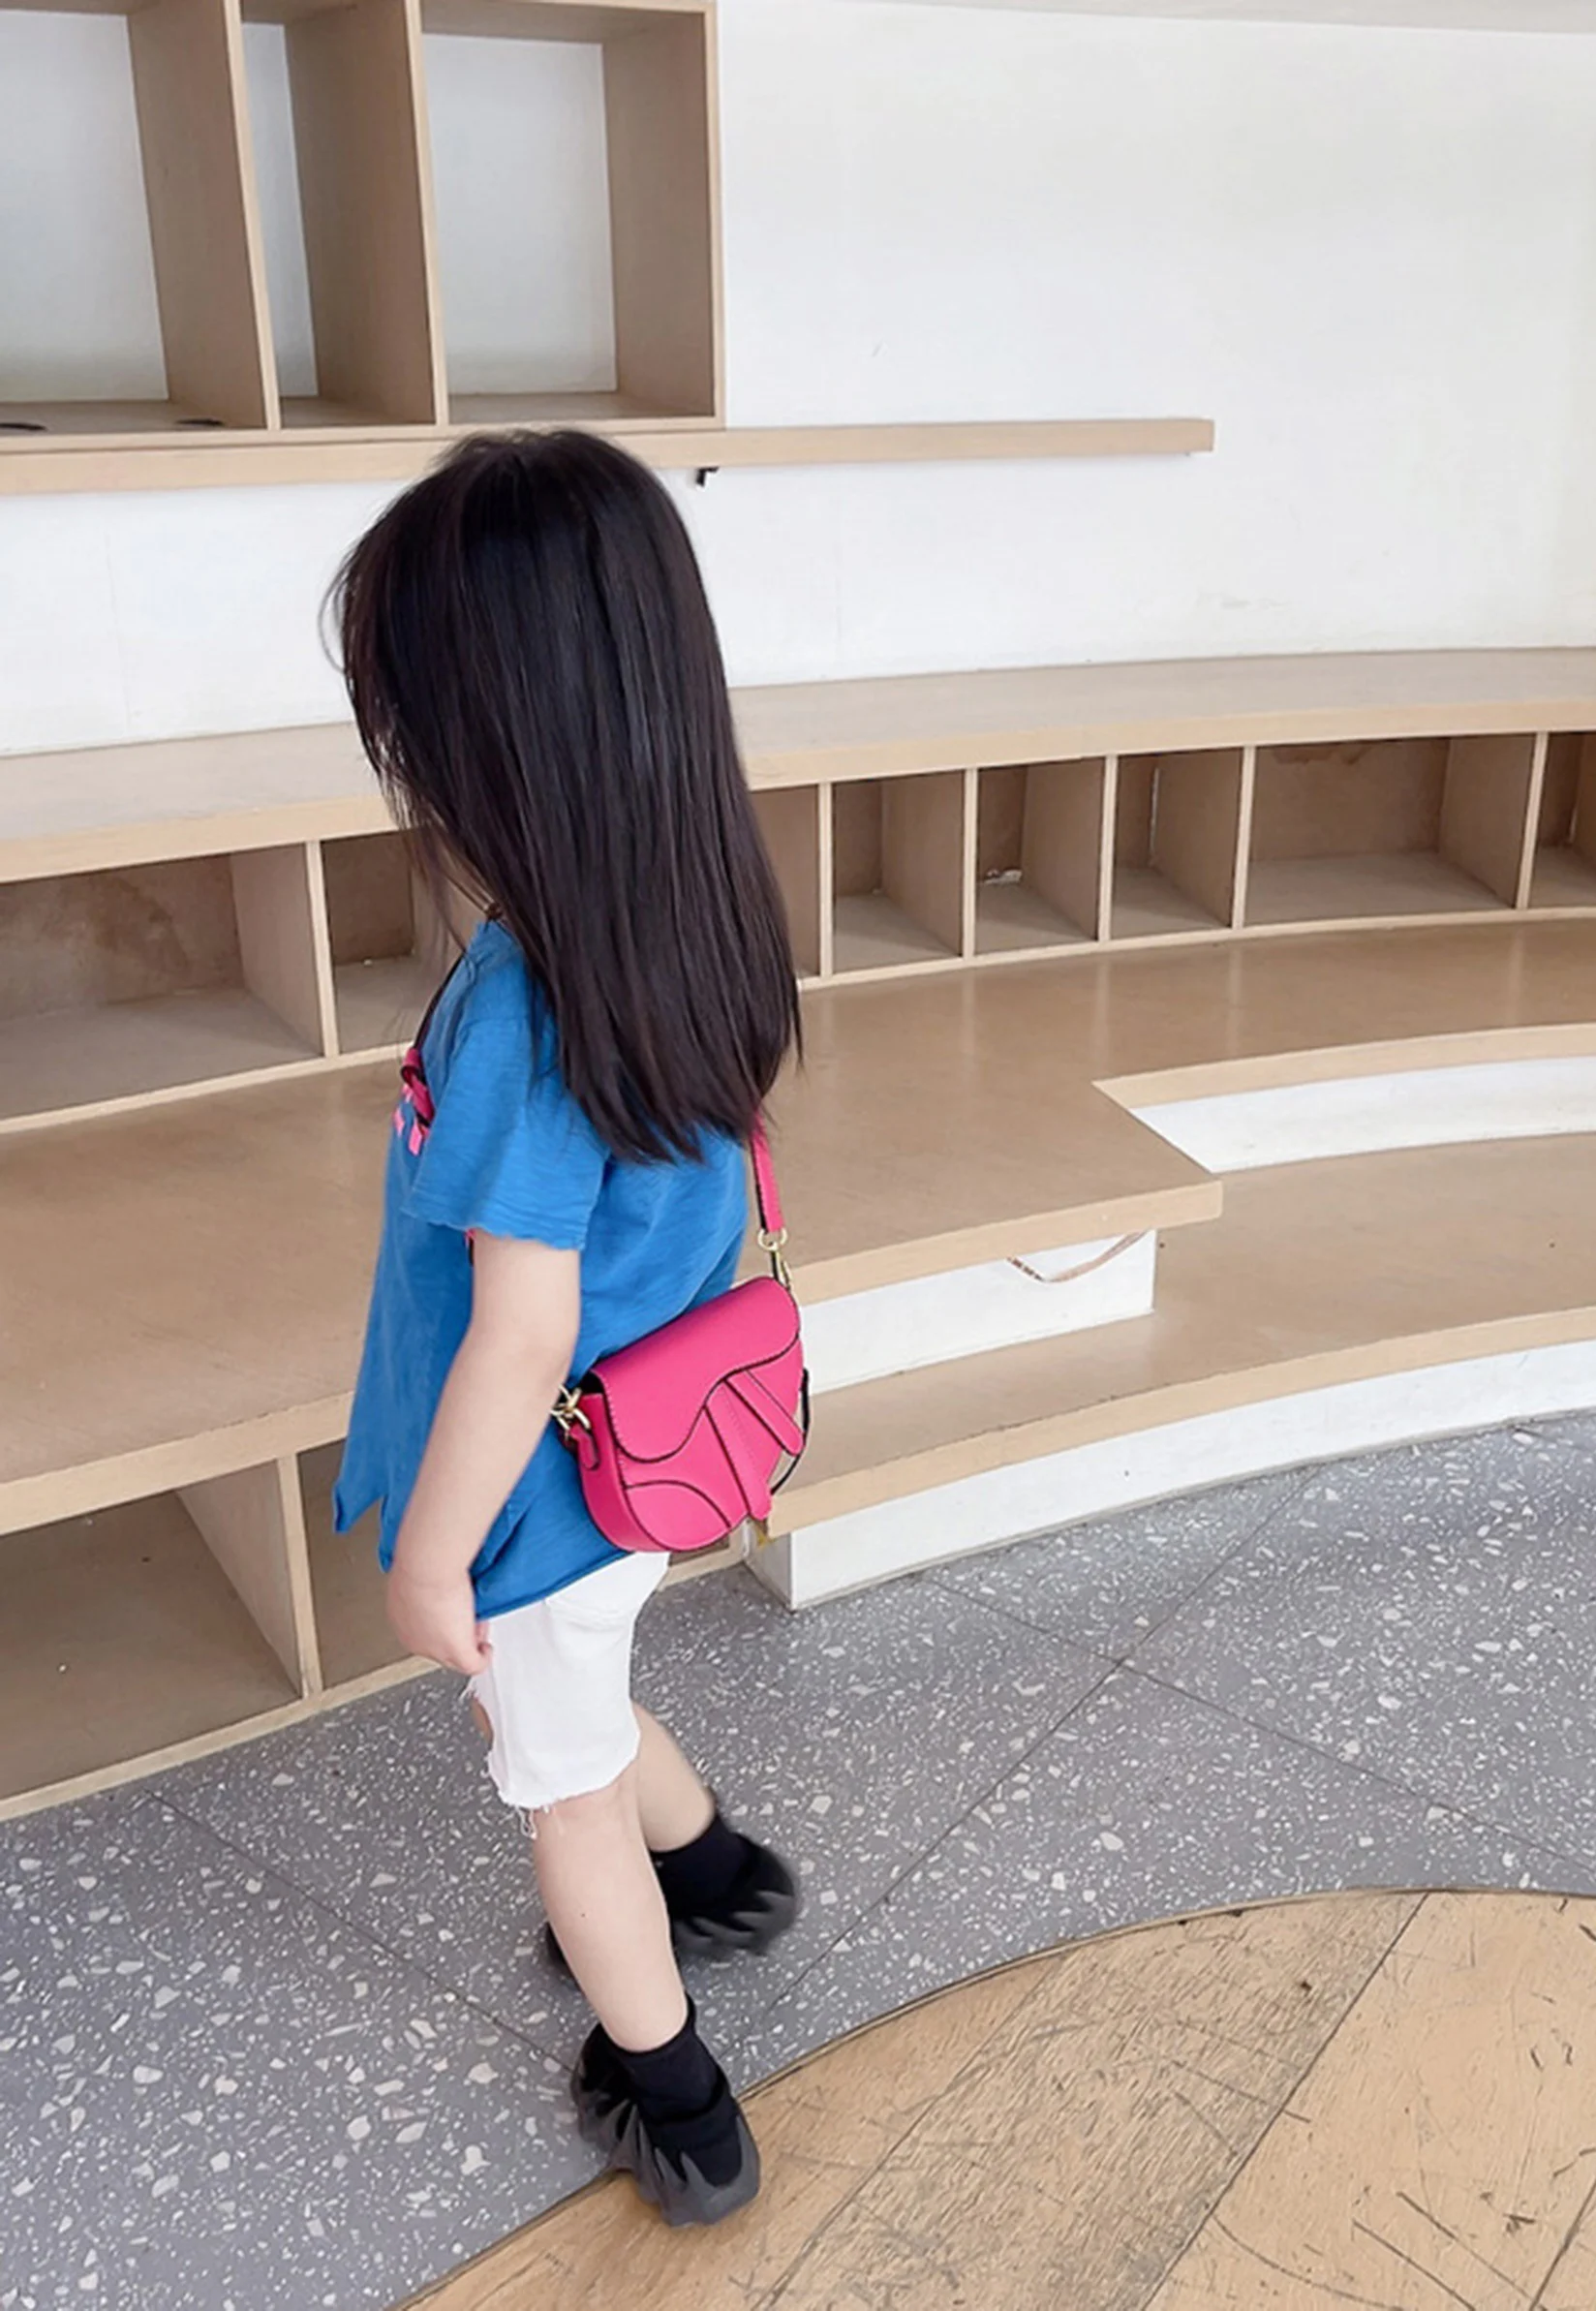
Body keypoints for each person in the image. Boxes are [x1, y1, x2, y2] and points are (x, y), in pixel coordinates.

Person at [329, 430, 803, 2228]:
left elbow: (518, 1336)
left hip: (536, 1498)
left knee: (562, 1790)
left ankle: (674, 2095)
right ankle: (723, 1872)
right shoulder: (699, 908)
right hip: (649, 1452)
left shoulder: (526, 1007)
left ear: (492, 744)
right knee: (583, 1701)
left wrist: (428, 1557)